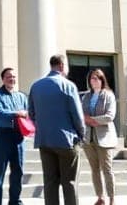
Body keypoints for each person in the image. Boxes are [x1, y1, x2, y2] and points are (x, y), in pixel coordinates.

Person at [28, 54, 85, 205]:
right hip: (67, 140)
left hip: (45, 140)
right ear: (61, 65)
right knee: (70, 183)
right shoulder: (68, 86)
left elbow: (31, 113)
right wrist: (82, 135)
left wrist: (43, 126)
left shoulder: (36, 86)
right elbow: (78, 116)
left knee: (50, 182)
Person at [0, 67, 29, 205]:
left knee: (18, 170)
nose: (11, 79)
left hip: (18, 136)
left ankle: (15, 201)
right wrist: (17, 113)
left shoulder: (22, 96)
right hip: (3, 135)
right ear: (3, 79)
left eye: (13, 76)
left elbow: (28, 113)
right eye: (8, 77)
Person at [80, 69, 119, 205]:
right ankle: (100, 197)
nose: (94, 81)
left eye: (97, 78)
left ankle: (111, 198)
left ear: (102, 80)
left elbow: (110, 116)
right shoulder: (86, 96)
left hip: (104, 138)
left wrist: (91, 120)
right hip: (88, 138)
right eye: (92, 78)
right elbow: (81, 114)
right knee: (94, 169)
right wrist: (87, 120)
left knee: (107, 169)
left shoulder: (108, 95)